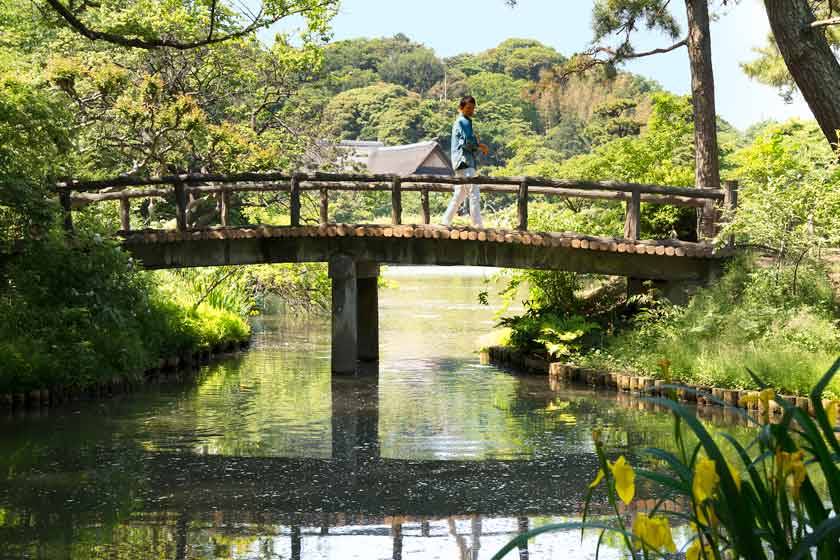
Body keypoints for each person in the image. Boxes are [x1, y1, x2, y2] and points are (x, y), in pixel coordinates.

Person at [442, 95, 489, 227]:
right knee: (474, 193)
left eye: (473, 108)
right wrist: (481, 146)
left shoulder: (461, 121)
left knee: (460, 195)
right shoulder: (464, 121)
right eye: (468, 108)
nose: (471, 110)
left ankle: (446, 220)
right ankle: (478, 225)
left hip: (459, 162)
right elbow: (468, 141)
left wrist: (476, 143)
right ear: (461, 108)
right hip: (465, 162)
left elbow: (467, 140)